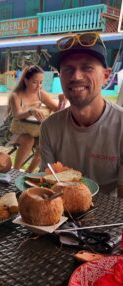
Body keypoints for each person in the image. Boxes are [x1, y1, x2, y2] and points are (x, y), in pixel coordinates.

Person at [40, 32, 123, 197]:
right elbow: (48, 185)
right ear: (61, 76)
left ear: (106, 76)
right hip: (62, 212)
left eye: (87, 67)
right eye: (68, 69)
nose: (76, 76)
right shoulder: (49, 127)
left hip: (108, 215)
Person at [7, 65, 66, 172]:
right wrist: (31, 111)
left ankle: (28, 173)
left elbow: (57, 111)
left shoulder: (41, 94)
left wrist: (62, 101)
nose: (38, 86)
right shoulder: (16, 95)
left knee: (45, 142)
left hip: (35, 131)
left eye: (41, 82)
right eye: (35, 82)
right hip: (15, 131)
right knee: (28, 139)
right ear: (26, 80)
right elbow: (17, 114)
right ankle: (15, 171)